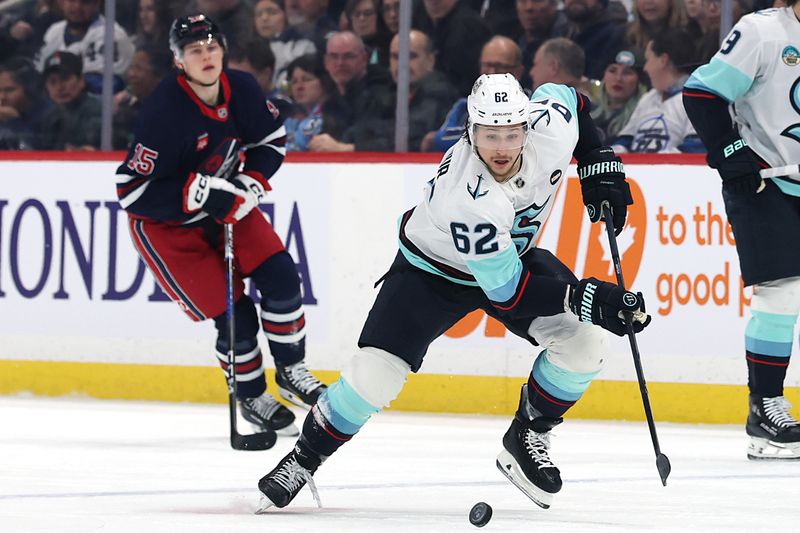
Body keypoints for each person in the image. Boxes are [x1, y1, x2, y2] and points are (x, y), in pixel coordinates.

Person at [257, 73, 651, 510]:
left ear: (528, 125)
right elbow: (508, 294)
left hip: (513, 261)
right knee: (375, 376)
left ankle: (527, 435)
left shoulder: (550, 127)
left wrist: (598, 158)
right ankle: (303, 459)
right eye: (489, 135)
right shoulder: (467, 197)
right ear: (470, 129)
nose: (501, 148)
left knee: (584, 344)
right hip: (432, 273)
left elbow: (571, 99)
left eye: (512, 134)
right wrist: (585, 298)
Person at [115, 14, 327, 442]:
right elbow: (131, 190)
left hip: (226, 206)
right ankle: (251, 394)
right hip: (168, 228)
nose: (206, 56)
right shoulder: (163, 112)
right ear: (179, 61)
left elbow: (270, 140)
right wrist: (198, 191)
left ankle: (290, 369)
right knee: (237, 317)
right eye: (194, 50)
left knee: (282, 275)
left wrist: (250, 183)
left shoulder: (243, 88)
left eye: (211, 47)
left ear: (223, 49)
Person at [683, 3, 800, 459]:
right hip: (764, 182)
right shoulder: (763, 32)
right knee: (782, 293)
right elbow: (702, 93)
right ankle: (764, 405)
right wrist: (731, 153)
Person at [424, 35, 525, 152]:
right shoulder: (464, 107)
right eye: (487, 65)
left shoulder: (530, 105)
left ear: (518, 72)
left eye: (499, 66)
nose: (492, 72)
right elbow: (440, 140)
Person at [613, 30, 703, 153]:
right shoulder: (648, 97)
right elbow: (625, 141)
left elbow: (695, 148)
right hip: (637, 169)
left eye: (648, 60)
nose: (645, 68)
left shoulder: (698, 98)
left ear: (663, 60)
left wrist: (654, 164)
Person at [36, 0, 135, 94]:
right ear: (61, 2)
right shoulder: (53, 33)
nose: (77, 7)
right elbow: (40, 75)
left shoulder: (112, 35)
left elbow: (111, 85)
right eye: (72, 0)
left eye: (85, 2)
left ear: (97, 3)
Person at [39, 50, 102, 150]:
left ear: (81, 81)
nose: (59, 87)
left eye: (65, 78)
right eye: (52, 81)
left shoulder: (98, 112)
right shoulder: (48, 115)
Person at [590, 48, 647, 143]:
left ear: (639, 82)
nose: (618, 78)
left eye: (627, 73)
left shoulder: (642, 118)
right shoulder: (587, 112)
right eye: (612, 71)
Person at [0, 56, 51, 150]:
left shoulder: (51, 115)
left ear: (30, 89)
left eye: (9, 90)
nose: (2, 97)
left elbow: (35, 154)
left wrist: (14, 122)